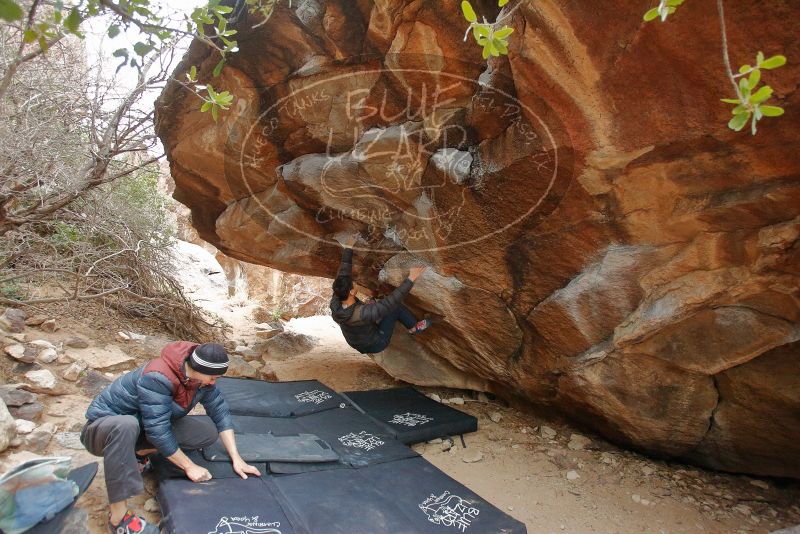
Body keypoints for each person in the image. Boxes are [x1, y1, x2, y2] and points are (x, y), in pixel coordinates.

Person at [81, 341, 260, 534]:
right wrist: (189, 466)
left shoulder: (201, 381)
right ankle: (118, 519)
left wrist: (237, 458)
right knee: (126, 424)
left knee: (205, 432)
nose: (214, 381)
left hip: (140, 428)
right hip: (102, 432)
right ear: (198, 368)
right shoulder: (158, 376)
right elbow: (157, 431)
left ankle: (138, 454)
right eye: (212, 376)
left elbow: (220, 412)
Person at [330, 243, 431, 354]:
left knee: (373, 303)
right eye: (353, 284)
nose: (354, 283)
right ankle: (413, 327)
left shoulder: (335, 302)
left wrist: (348, 248)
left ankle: (373, 310)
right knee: (394, 308)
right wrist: (411, 278)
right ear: (352, 292)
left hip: (356, 342)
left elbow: (343, 274)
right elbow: (391, 301)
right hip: (376, 344)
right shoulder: (363, 313)